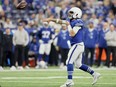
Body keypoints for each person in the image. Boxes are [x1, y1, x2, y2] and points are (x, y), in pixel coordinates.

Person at [44, 7, 101, 87]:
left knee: (68, 62)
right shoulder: (71, 21)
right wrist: (50, 20)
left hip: (77, 45)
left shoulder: (79, 21)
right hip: (78, 45)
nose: (69, 14)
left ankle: (70, 81)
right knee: (78, 64)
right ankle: (94, 73)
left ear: (77, 14)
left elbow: (72, 33)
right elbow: (61, 22)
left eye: (71, 13)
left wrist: (68, 26)